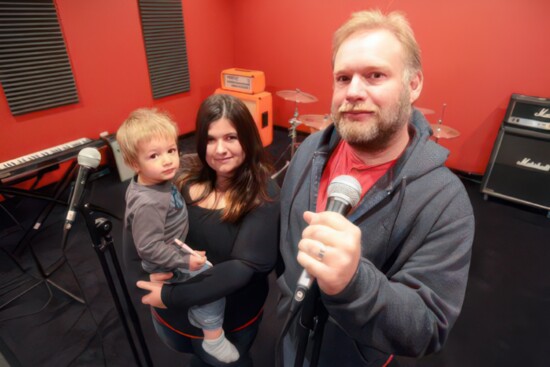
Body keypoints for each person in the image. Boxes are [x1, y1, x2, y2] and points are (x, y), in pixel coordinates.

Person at [276, 9, 475, 367]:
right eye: (343, 77)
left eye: (375, 75)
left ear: (413, 85)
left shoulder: (446, 202)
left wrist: (353, 282)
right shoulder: (309, 150)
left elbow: (427, 326)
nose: (353, 91)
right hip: (289, 338)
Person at [134, 94, 280, 366]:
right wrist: (144, 276)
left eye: (231, 138)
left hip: (227, 323)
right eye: (211, 139)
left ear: (247, 138)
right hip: (172, 316)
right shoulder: (182, 173)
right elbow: (139, 222)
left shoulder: (263, 192)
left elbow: (242, 268)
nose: (220, 149)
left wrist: (170, 296)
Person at [117, 108, 240, 363]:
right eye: (154, 155)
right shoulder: (149, 203)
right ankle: (212, 335)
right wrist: (185, 261)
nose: (168, 161)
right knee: (210, 283)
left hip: (173, 246)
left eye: (171, 151)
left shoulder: (150, 181)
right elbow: (148, 246)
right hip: (166, 258)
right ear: (133, 163)